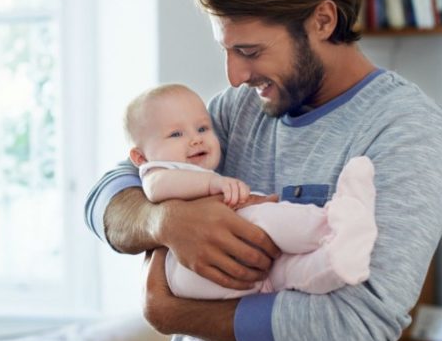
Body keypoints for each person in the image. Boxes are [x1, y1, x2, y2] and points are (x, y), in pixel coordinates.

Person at [85, 0, 442, 341]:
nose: (235, 76)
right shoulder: (242, 110)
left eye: (249, 51)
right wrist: (163, 220)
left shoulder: (406, 132)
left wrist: (174, 311)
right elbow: (108, 193)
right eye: (227, 51)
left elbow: (355, 330)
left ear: (323, 20)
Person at [124, 83, 378, 299]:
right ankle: (334, 224)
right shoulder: (157, 172)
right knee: (265, 218)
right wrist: (214, 185)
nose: (196, 139)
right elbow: (157, 189)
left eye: (202, 128)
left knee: (286, 272)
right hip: (187, 271)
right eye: (176, 134)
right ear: (140, 156)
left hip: (236, 275)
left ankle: (335, 263)